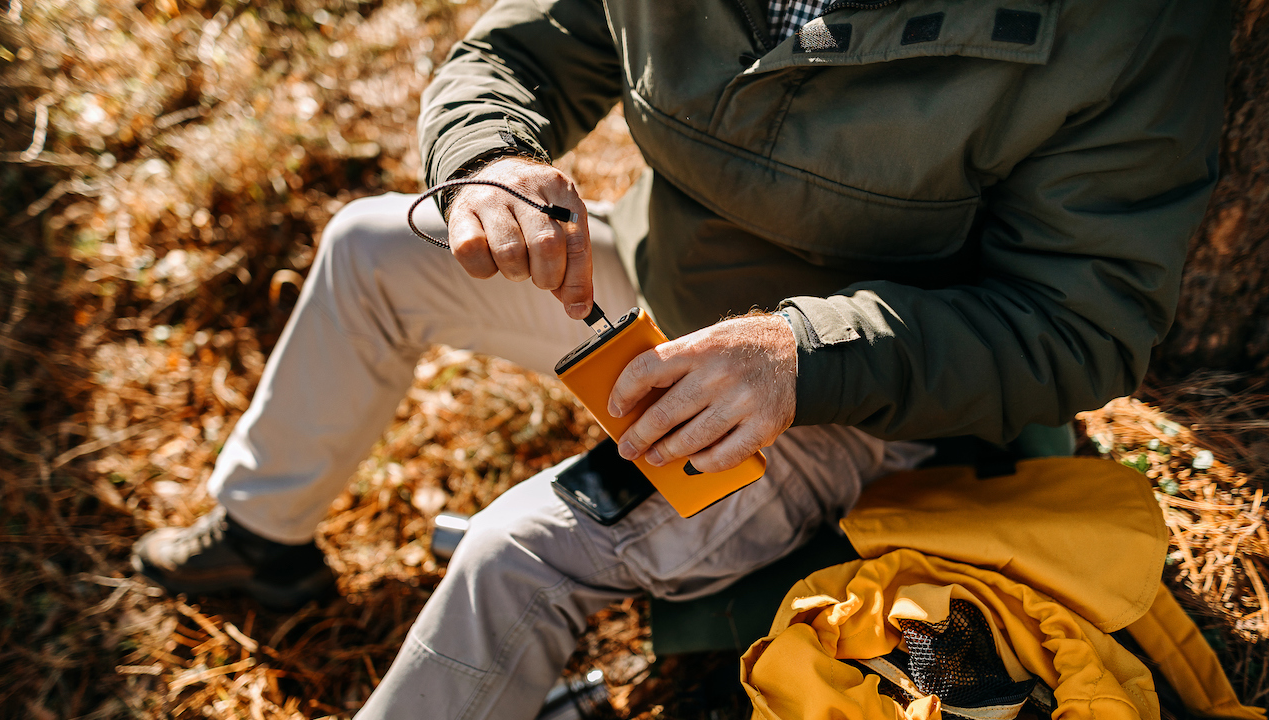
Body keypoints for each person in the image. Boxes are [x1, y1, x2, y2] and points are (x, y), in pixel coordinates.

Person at [131, 0, 1229, 717]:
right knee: (372, 246)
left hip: (866, 397)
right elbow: (523, 48)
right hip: (661, 283)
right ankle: (261, 539)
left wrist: (802, 353)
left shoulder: (1121, 29)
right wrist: (490, 159)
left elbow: (1080, 320)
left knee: (520, 554)